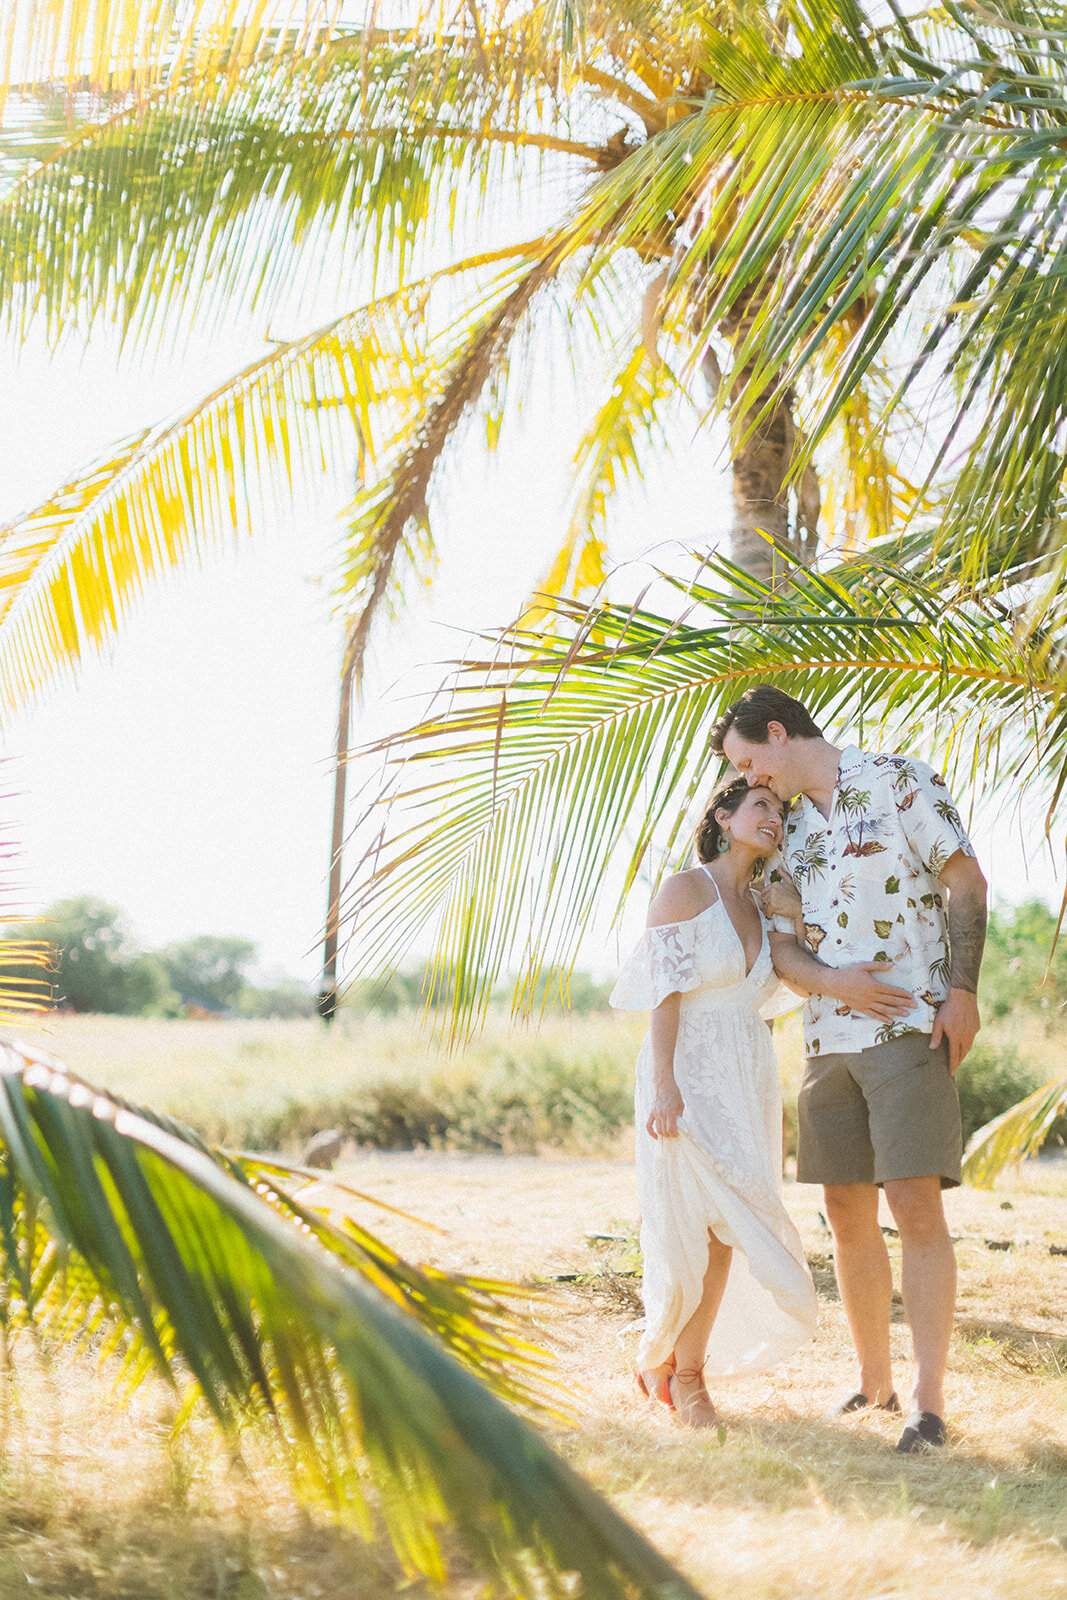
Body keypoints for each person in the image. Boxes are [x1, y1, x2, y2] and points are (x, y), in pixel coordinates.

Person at [711, 686, 987, 1453]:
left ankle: (927, 1407)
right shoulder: (784, 828)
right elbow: (786, 946)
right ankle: (873, 1383)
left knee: (914, 1204)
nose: (750, 782)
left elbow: (965, 882)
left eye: (747, 760)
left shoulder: (901, 779)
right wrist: (833, 984)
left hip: (909, 1025)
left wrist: (960, 991)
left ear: (776, 732)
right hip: (824, 1039)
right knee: (843, 1209)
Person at [610, 776, 818, 1428]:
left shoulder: (762, 903)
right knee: (684, 1225)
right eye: (761, 806)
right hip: (687, 1066)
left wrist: (788, 915)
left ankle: (681, 1364)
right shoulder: (684, 890)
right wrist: (666, 1083)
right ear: (723, 817)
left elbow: (796, 986)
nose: (774, 819)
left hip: (746, 1071)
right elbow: (663, 993)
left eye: (780, 813)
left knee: (732, 1220)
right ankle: (680, 1372)